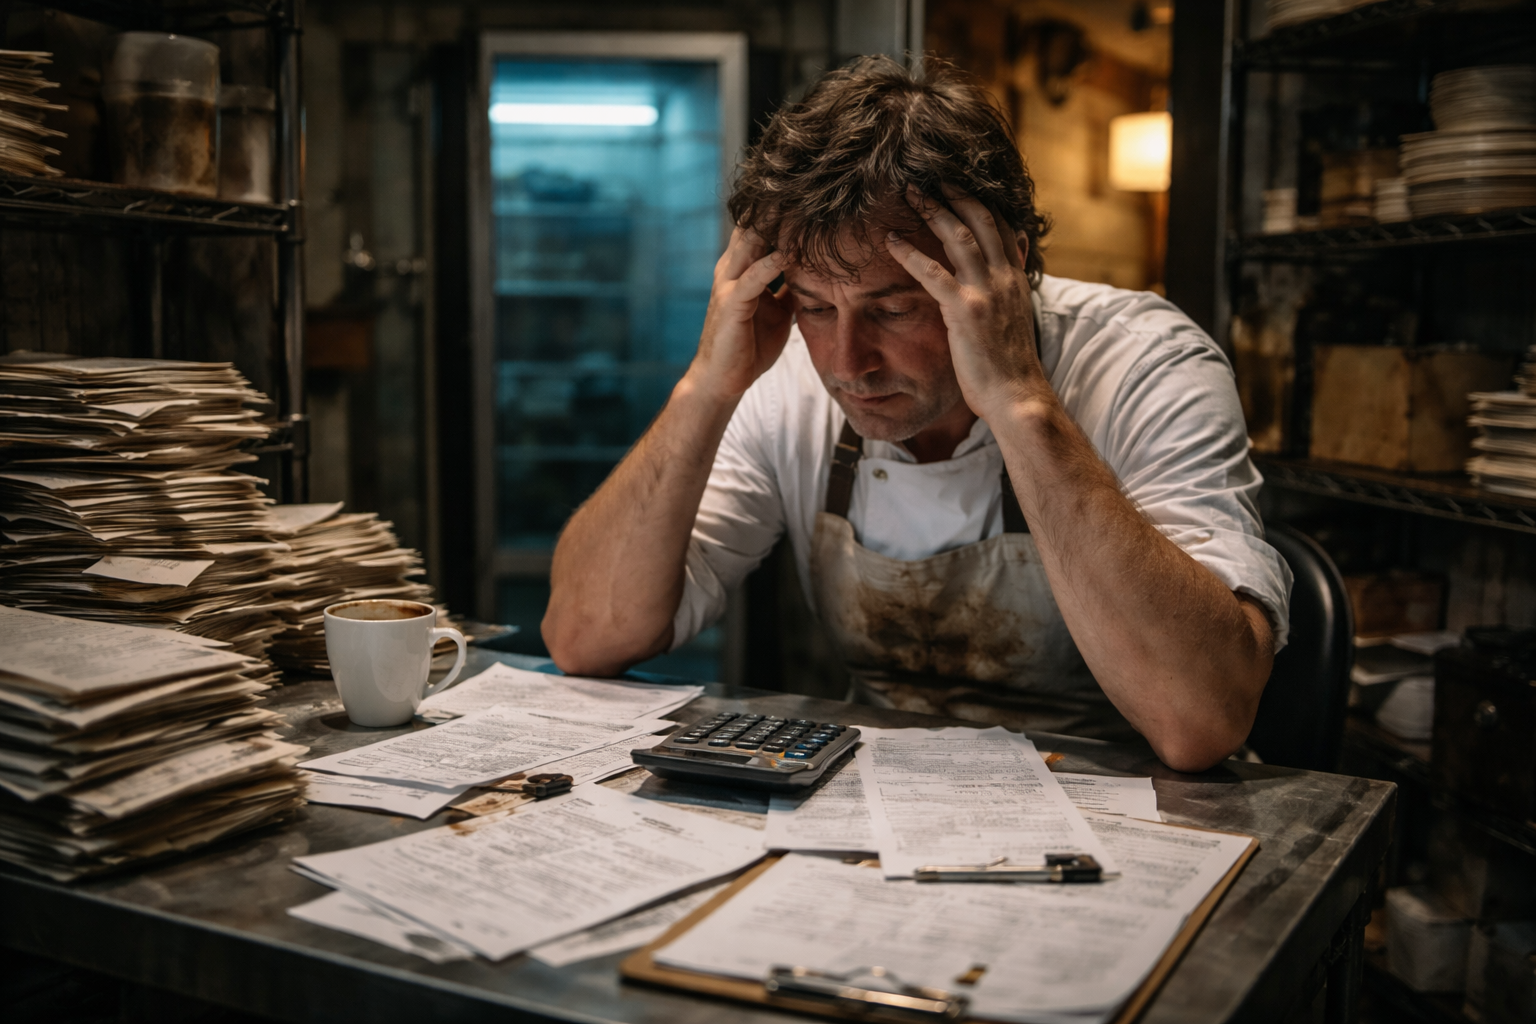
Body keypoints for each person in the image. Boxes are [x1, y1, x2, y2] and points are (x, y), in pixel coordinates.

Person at [542, 56, 1292, 773]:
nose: (847, 362)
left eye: (895, 307)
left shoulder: (1143, 365)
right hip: (882, 796)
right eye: (812, 306)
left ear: (1002, 268)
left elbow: (1198, 720)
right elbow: (584, 636)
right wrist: (707, 385)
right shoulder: (790, 376)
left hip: (1134, 799)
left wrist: (1019, 399)